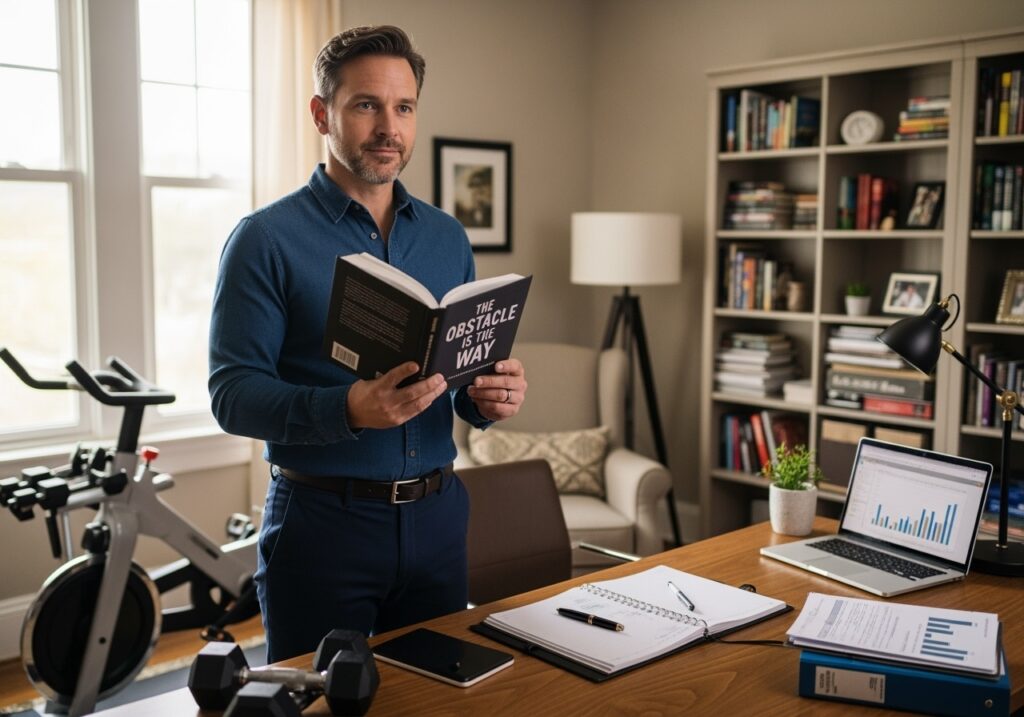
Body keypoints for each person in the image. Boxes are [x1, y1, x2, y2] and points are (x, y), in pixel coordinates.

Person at [208, 25, 527, 663]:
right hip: (323, 528)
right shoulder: (265, 239)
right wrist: (349, 409)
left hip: (439, 520)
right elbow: (232, 395)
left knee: (438, 703)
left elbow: (456, 384)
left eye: (403, 107)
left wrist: (486, 398)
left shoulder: (446, 237)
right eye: (366, 105)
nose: (389, 127)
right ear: (322, 114)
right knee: (323, 704)